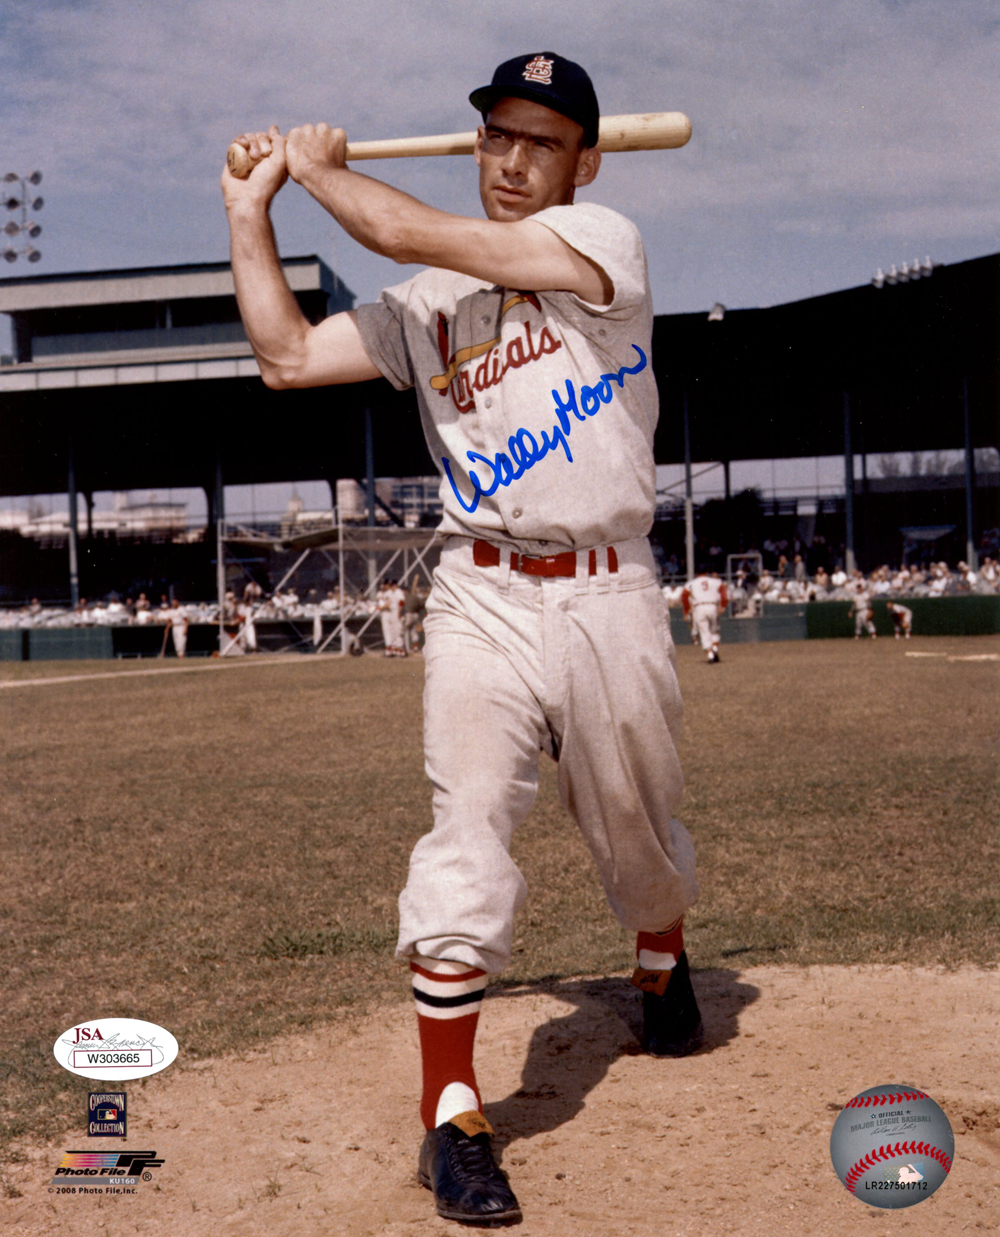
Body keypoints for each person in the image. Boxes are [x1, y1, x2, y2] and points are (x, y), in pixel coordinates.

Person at [223, 50, 701, 1227]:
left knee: (634, 824)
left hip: (607, 587)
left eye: (541, 140)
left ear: (583, 159)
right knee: (466, 831)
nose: (512, 159)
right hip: (479, 588)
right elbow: (287, 358)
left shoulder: (604, 241)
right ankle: (452, 1119)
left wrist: (324, 174)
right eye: (496, 135)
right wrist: (252, 213)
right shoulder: (426, 307)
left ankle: (658, 952)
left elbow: (414, 234)